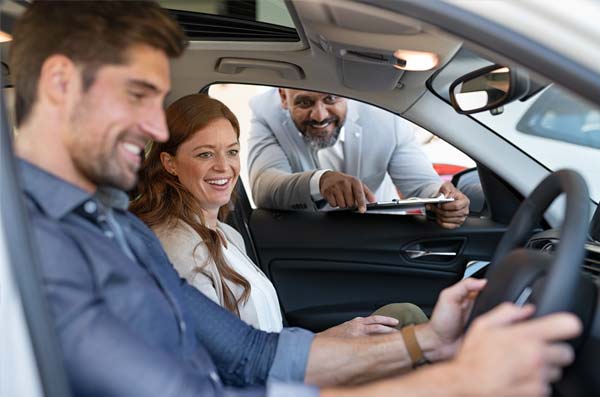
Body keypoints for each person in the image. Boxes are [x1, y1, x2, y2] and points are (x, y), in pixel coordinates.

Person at [11, 1, 582, 396]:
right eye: (137, 96)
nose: (154, 127)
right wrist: (457, 381)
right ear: (61, 82)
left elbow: (246, 355)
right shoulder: (32, 247)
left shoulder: (114, 225)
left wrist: (430, 339)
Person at [130, 93, 428, 335]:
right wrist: (324, 353)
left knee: (404, 316)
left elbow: (265, 337)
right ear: (169, 163)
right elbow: (230, 360)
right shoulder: (177, 249)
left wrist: (337, 336)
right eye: (205, 154)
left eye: (232, 152)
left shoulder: (227, 234)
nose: (224, 167)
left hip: (278, 363)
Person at [247, 88, 471, 228]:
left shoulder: (385, 116)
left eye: (331, 98)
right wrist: (320, 182)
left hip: (375, 231)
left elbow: (423, 185)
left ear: (345, 94)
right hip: (309, 239)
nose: (319, 115)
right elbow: (263, 186)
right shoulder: (266, 114)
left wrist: (443, 200)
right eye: (305, 103)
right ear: (283, 97)